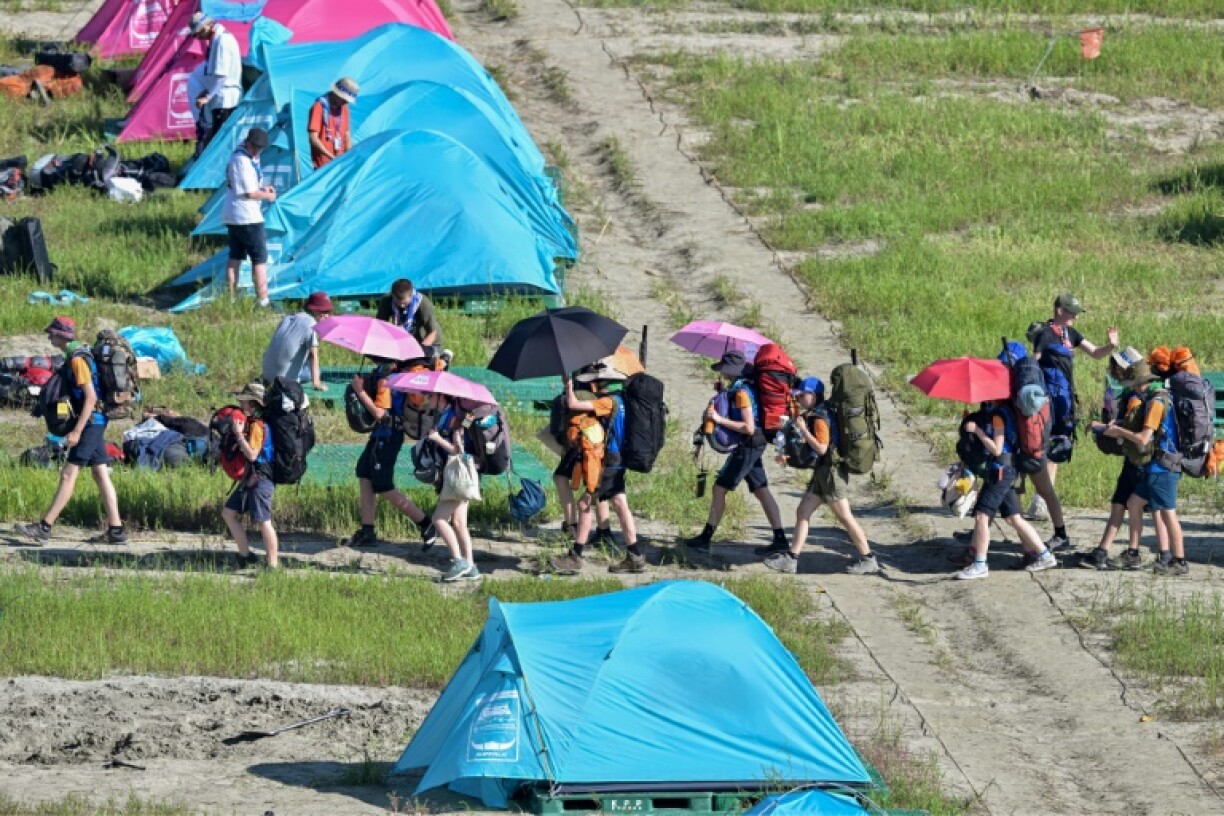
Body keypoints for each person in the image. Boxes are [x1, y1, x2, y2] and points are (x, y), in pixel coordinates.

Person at [16, 318, 127, 545]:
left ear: (61, 335)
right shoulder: (75, 355)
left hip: (90, 422)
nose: (49, 337)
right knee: (100, 473)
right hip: (95, 421)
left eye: (52, 334)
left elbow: (91, 398)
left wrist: (77, 431)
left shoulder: (77, 360)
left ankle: (44, 527)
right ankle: (117, 530)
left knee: (68, 474)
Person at [763, 377, 878, 575]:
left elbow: (822, 448)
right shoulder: (819, 413)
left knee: (845, 517)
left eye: (801, 395)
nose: (798, 399)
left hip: (831, 474)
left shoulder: (819, 418)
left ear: (813, 395)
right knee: (803, 512)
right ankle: (791, 559)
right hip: (823, 473)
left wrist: (804, 430)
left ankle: (868, 559)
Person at [680, 350, 787, 554]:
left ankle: (706, 538)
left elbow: (747, 426)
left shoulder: (742, 393)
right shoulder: (744, 387)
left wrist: (719, 420)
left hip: (749, 444)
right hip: (755, 443)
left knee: (720, 488)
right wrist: (723, 393)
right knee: (761, 490)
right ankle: (780, 539)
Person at [1026, 292, 1119, 519]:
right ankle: (1037, 498)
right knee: (1040, 446)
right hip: (1047, 398)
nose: (1075, 318)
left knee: (1059, 445)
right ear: (1060, 311)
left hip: (1065, 399)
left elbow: (1096, 353)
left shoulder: (1071, 333)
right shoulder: (1045, 334)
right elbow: (1033, 363)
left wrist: (1111, 345)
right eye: (1072, 313)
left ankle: (1042, 501)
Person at [550, 360, 645, 575]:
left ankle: (576, 557)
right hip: (619, 458)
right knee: (620, 503)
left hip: (609, 460)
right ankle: (635, 555)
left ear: (601, 382)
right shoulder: (623, 400)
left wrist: (568, 385)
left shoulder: (608, 402)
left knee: (585, 504)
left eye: (595, 381)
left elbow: (574, 404)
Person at [1100, 354, 1188, 576]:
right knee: (1134, 503)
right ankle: (1133, 553)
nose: (1133, 389)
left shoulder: (1156, 402)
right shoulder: (1151, 398)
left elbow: (1144, 438)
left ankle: (1179, 561)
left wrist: (1118, 431)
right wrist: (1119, 424)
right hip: (1155, 466)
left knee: (1168, 513)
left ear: (1141, 383)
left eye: (1133, 385)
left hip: (1164, 467)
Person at [955, 400, 1055, 580]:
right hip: (1005, 470)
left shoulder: (998, 416)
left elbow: (997, 448)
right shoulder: (1000, 411)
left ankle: (980, 564)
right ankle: (1045, 555)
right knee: (1013, 518)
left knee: (982, 516)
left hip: (1001, 471)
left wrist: (976, 431)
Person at [1082, 351, 1163, 570]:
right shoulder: (1142, 396)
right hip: (1134, 459)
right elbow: (1129, 425)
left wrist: (1110, 429)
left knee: (1145, 508)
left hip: (1142, 462)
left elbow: (1138, 433)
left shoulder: (1145, 399)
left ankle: (1144, 553)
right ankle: (1102, 551)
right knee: (1119, 503)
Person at [346, 361, 436, 550]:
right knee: (364, 474)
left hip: (388, 436)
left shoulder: (391, 378)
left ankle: (426, 524)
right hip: (380, 435)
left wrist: (360, 391)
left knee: (383, 485)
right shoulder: (394, 373)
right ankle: (367, 530)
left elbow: (380, 413)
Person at [220, 383, 278, 568]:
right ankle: (246, 556)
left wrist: (238, 435)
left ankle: (273, 565)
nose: (242, 405)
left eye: (244, 401)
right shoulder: (255, 423)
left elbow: (252, 454)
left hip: (261, 478)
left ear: (253, 404)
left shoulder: (257, 426)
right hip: (251, 478)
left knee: (263, 521)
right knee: (229, 513)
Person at [223, 127, 277, 306]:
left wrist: (264, 188)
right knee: (259, 259)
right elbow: (249, 193)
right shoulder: (242, 161)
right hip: (247, 216)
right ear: (248, 142)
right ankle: (263, 300)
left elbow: (252, 186)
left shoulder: (244, 156)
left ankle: (230, 298)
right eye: (254, 147)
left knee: (236, 255)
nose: (256, 151)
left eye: (259, 149)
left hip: (234, 214)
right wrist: (267, 195)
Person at [429, 397, 480, 582]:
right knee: (458, 523)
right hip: (459, 475)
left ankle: (458, 561)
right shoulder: (447, 415)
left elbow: (457, 451)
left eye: (431, 395)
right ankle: (471, 566)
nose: (428, 397)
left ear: (441, 396)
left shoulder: (455, 417)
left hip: (457, 477)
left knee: (438, 518)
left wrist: (437, 439)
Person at [261, 291, 333, 389]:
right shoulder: (310, 323)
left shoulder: (287, 318)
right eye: (324, 312)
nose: (327, 316)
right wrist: (317, 383)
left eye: (328, 312)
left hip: (267, 374)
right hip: (283, 379)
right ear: (315, 310)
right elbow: (313, 355)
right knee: (316, 370)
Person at [189, 13, 241, 148]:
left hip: (226, 101)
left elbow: (221, 75)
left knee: (219, 142)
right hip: (222, 97)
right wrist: (208, 92)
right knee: (216, 138)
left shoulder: (222, 41)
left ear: (207, 26)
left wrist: (208, 96)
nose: (199, 37)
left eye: (199, 33)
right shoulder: (218, 38)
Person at [375, 279, 443, 360]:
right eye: (398, 303)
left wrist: (418, 352)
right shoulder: (386, 301)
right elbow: (380, 327)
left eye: (404, 303)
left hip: (428, 342)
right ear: (392, 295)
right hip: (402, 341)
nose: (402, 306)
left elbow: (432, 333)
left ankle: (445, 357)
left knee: (419, 364)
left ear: (411, 295)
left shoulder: (423, 303)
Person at [307, 77, 358, 169]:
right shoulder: (319, 107)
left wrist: (349, 156)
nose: (345, 102)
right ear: (336, 93)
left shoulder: (345, 108)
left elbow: (346, 134)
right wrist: (331, 157)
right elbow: (313, 138)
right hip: (323, 165)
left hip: (341, 163)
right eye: (343, 98)